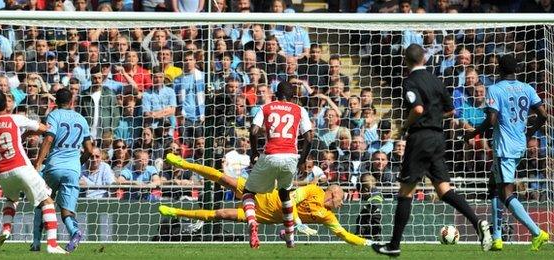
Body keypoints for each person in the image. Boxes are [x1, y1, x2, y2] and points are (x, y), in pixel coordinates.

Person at [372, 44, 492, 257]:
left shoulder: (409, 81)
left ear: (406, 61)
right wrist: (434, 116)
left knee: (405, 191)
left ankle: (393, 245)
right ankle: (478, 222)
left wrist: (404, 126)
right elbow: (451, 110)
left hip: (420, 138)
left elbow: (417, 109)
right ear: (425, 59)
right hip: (438, 138)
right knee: (444, 190)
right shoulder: (436, 80)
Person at [160, 153, 371, 247]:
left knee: (222, 214)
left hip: (263, 215)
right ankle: (183, 163)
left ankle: (175, 211)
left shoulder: (327, 216)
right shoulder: (313, 190)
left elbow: (344, 235)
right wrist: (297, 223)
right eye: (342, 199)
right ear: (333, 194)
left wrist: (369, 243)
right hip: (261, 192)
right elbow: (292, 199)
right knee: (223, 178)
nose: (343, 204)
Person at [464, 55, 549, 251]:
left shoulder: (495, 89)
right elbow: (543, 115)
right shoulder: (527, 88)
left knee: (505, 191)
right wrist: (528, 133)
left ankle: (537, 233)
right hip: (519, 144)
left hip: (505, 148)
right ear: (516, 70)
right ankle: (497, 238)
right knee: (494, 186)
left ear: (499, 70)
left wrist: (473, 132)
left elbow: (492, 119)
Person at [0, 89, 66, 254]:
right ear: (5, 104)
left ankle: (6, 229)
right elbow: (43, 128)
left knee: (11, 199)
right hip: (21, 166)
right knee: (46, 200)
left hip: (2, 173)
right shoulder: (15, 119)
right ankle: (52, 244)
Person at [242, 81, 313, 248]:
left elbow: (253, 131)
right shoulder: (299, 110)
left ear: (275, 94)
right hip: (290, 156)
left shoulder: (266, 107)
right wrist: (302, 160)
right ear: (293, 97)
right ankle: (290, 239)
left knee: (248, 192)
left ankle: (252, 221)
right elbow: (309, 138)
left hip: (271, 154)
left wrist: (254, 152)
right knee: (285, 194)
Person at [31, 88, 94, 252]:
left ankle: (36, 242)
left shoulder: (54, 115)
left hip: (54, 166)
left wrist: (38, 163)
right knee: (67, 210)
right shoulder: (81, 119)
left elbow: (49, 139)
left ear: (55, 102)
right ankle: (75, 231)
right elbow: (89, 150)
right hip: (73, 169)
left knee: (43, 203)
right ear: (72, 101)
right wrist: (77, 164)